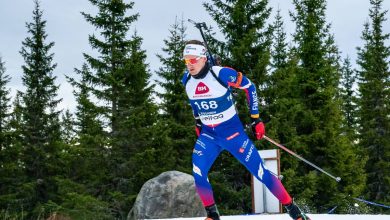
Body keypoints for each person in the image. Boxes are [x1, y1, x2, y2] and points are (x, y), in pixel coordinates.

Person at [181, 40, 310, 220]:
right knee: (198, 172)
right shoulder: (186, 80)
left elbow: (250, 87)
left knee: (260, 172)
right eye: (186, 60)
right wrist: (198, 123)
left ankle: (294, 211)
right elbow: (194, 104)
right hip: (209, 136)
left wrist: (256, 118)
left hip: (233, 134)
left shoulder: (221, 74)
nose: (189, 65)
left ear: (203, 58)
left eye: (193, 60)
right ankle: (212, 214)